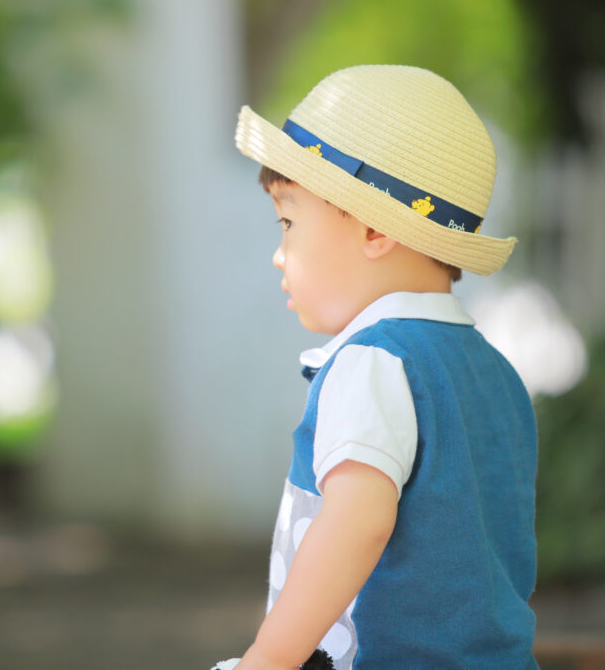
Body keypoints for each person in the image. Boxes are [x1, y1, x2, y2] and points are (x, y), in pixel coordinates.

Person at [211, 65, 538, 669]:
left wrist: (269, 660)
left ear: (373, 227)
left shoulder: (373, 360)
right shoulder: (494, 373)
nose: (278, 254)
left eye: (288, 220)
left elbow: (358, 520)